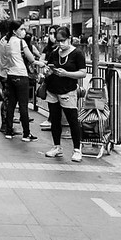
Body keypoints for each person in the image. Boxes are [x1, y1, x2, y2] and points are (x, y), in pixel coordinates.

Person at [42, 27, 87, 162]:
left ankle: (77, 149)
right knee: (55, 120)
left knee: (72, 120)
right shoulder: (54, 53)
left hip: (68, 91)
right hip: (52, 90)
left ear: (69, 39)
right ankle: (57, 147)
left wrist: (66, 74)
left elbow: (83, 73)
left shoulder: (77, 53)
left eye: (63, 40)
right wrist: (48, 72)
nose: (60, 44)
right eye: (58, 41)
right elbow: (48, 67)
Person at [0, 20, 45, 141]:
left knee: (11, 104)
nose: (24, 31)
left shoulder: (6, 42)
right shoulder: (21, 42)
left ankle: (8, 131)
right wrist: (40, 63)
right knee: (23, 105)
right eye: (22, 29)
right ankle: (26, 134)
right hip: (21, 75)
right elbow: (31, 59)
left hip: (10, 75)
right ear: (15, 31)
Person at [39, 26, 59, 130]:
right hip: (49, 77)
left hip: (60, 78)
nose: (52, 36)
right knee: (50, 100)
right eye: (50, 33)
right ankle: (51, 119)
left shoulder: (61, 48)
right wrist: (48, 63)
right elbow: (41, 59)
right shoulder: (47, 48)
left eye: (53, 33)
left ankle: (56, 121)